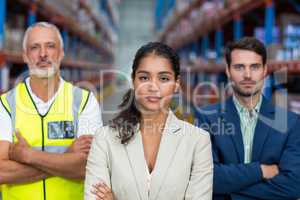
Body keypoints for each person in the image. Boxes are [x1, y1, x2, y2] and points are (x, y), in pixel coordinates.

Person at [84, 42, 213, 200]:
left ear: (177, 84)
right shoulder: (104, 139)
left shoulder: (198, 141)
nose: (153, 87)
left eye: (163, 78)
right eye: (144, 77)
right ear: (133, 80)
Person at [0, 22, 102, 200]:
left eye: (50, 46)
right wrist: (66, 158)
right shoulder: (6, 105)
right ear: (25, 55)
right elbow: (2, 172)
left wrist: (28, 155)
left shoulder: (84, 102)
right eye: (34, 47)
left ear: (61, 53)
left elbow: (85, 167)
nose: (43, 54)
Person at [198, 37, 300, 200]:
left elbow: (293, 185)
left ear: (265, 70)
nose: (247, 75)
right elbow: (206, 178)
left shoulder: (291, 123)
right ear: (228, 71)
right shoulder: (206, 118)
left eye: (254, 67)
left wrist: (228, 194)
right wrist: (261, 170)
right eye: (239, 67)